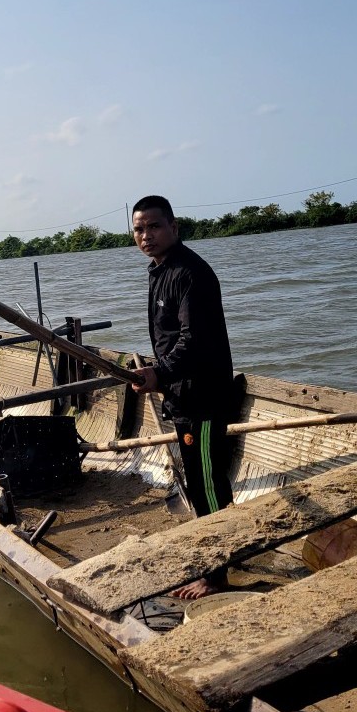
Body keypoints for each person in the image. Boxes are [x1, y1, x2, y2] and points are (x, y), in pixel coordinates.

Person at [129, 194, 239, 600]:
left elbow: (197, 342)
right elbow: (172, 338)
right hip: (182, 397)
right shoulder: (160, 271)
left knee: (208, 486)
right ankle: (217, 560)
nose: (146, 236)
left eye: (154, 227)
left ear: (174, 228)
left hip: (204, 400)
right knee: (198, 483)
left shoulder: (192, 273)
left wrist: (159, 373)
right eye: (139, 229)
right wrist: (159, 375)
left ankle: (216, 576)